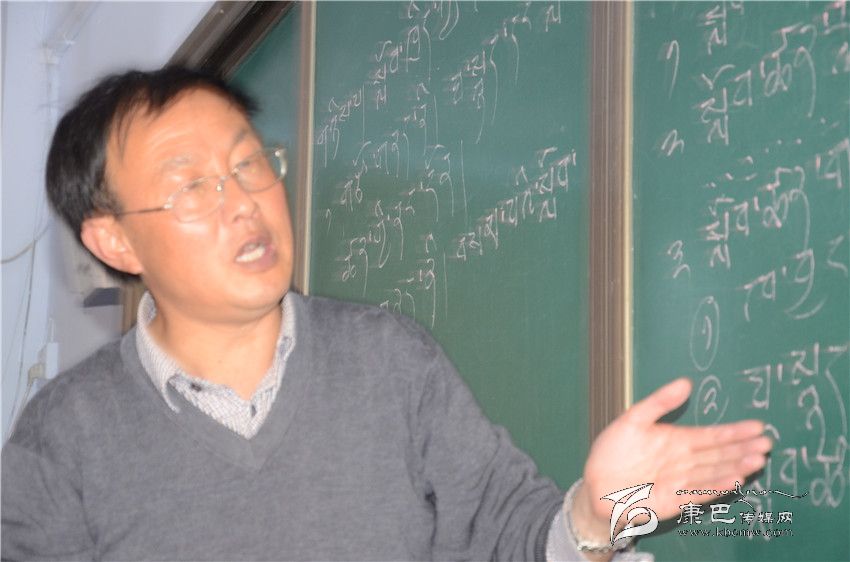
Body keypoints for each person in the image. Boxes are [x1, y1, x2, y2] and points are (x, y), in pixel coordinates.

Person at [1, 67, 772, 561]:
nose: (243, 201)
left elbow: (515, 535)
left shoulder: (387, 359)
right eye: (192, 186)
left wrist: (604, 514)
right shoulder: (60, 440)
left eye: (249, 163)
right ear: (114, 239)